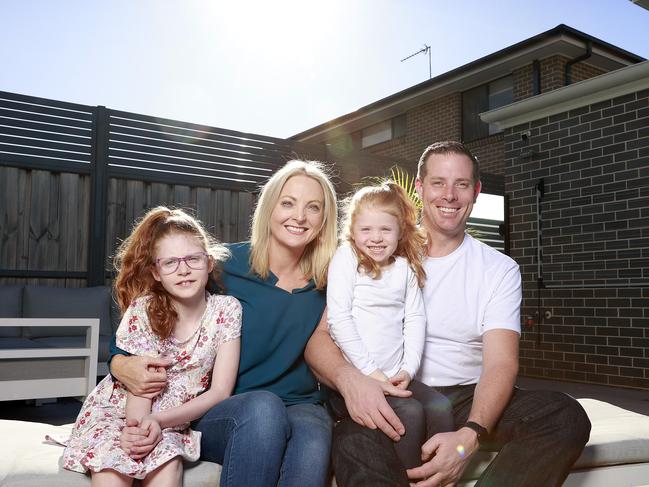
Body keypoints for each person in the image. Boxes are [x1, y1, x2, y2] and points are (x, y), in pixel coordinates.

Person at [305, 141, 591, 487]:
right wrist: (352, 381)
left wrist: (468, 436)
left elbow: (501, 363)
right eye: (438, 182)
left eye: (462, 184)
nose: (450, 195)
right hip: (387, 392)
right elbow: (321, 338)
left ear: (476, 192)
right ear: (419, 188)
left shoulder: (498, 269)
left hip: (465, 398)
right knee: (355, 446)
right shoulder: (377, 252)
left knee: (565, 416)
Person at [109, 160, 339, 487]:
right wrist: (118, 361)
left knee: (314, 443)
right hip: (225, 405)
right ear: (269, 207)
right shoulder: (225, 265)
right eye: (288, 202)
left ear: (325, 218)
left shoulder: (332, 278)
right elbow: (148, 310)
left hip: (301, 403)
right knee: (263, 410)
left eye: (312, 207)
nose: (299, 216)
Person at [62, 207, 241, 487]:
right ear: (156, 272)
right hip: (122, 412)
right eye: (170, 263)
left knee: (166, 465)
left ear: (208, 263)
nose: (183, 270)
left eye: (193, 259)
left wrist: (159, 422)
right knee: (113, 467)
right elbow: (140, 388)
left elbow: (220, 391)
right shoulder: (144, 310)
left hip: (169, 419)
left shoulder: (226, 310)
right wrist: (136, 431)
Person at [326, 181, 453, 469]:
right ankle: (406, 477)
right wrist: (372, 373)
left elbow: (416, 319)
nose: (376, 238)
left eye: (385, 229)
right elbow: (338, 319)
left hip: (396, 377)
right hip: (356, 383)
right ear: (353, 232)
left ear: (399, 232)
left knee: (442, 410)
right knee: (409, 413)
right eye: (366, 229)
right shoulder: (347, 258)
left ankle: (433, 476)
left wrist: (408, 369)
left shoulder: (404, 268)